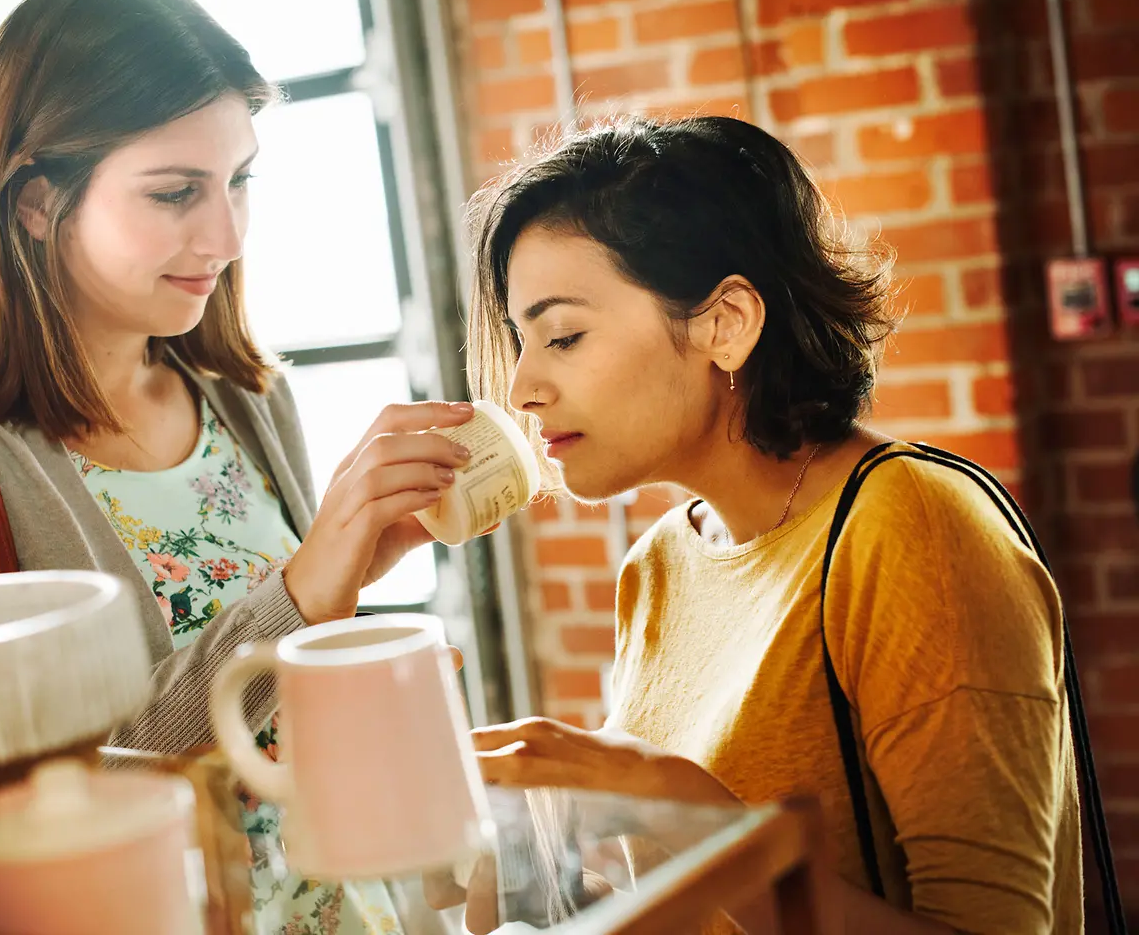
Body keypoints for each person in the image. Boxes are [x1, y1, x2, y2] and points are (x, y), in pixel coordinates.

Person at [0, 0, 471, 931]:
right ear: (37, 201)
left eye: (240, 179)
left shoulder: (246, 396)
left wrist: (361, 637)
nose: (228, 235)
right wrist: (299, 594)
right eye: (175, 192)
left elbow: (282, 735)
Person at [459, 115, 1081, 934]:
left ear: (726, 323)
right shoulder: (659, 568)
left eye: (563, 336)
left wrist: (685, 815)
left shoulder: (910, 529)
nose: (523, 387)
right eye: (519, 340)